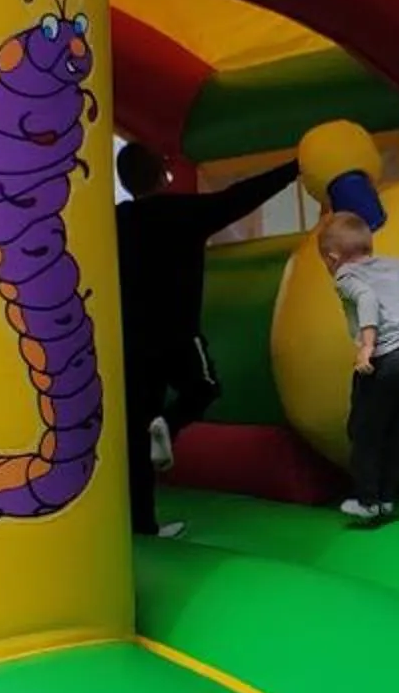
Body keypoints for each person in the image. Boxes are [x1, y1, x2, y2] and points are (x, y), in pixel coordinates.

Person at [115, 143, 298, 537]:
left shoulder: (117, 221)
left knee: (135, 432)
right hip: (178, 332)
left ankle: (143, 525)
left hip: (130, 340)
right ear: (161, 174)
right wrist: (295, 168)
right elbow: (240, 197)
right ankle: (170, 422)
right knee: (202, 387)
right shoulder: (184, 212)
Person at [316, 210, 399, 524]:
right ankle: (386, 499)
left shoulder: (346, 275)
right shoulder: (391, 264)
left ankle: (367, 500)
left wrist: (368, 347)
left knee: (364, 431)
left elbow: (367, 299)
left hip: (386, 358)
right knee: (397, 431)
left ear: (332, 257)